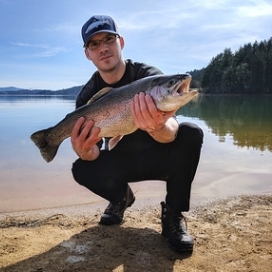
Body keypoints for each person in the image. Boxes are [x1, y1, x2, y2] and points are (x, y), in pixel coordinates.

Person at [70, 15, 203, 254]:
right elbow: (94, 152)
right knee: (81, 167)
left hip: (158, 157)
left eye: (108, 39)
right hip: (122, 162)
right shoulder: (87, 96)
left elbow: (172, 130)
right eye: (94, 44)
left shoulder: (149, 77)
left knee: (191, 132)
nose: (103, 48)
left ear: (120, 42)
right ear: (87, 54)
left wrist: (157, 127)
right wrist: (84, 150)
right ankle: (121, 199)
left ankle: (173, 215)